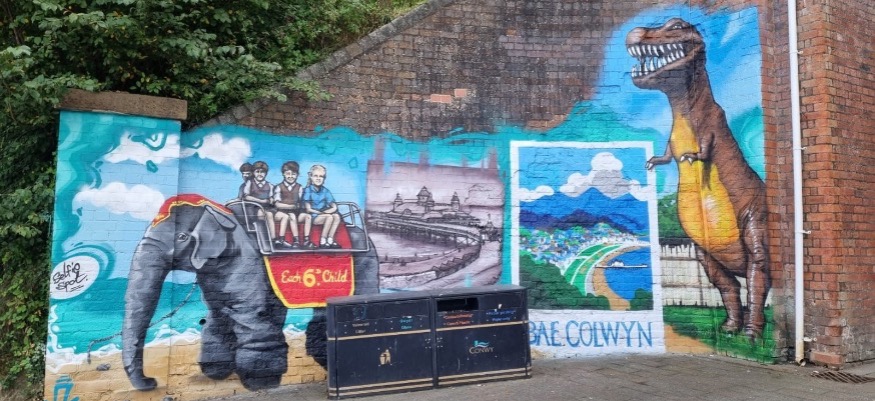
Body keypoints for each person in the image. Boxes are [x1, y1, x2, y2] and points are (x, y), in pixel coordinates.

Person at [271, 161, 314, 249]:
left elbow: (302, 201)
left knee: (308, 216)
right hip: (282, 212)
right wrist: (291, 206)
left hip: (296, 212)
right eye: (288, 174)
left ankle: (306, 240)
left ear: (297, 175)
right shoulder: (279, 187)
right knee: (291, 216)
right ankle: (296, 240)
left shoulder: (299, 187)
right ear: (283, 174)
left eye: (293, 174)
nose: (290, 176)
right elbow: (277, 204)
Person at [302, 164, 342, 249]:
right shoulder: (308, 190)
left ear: (324, 178)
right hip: (313, 216)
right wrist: (321, 213)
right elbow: (308, 209)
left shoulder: (325, 191)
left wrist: (325, 212)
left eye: (321, 176)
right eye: (315, 176)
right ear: (311, 177)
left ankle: (330, 239)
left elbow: (334, 207)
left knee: (336, 216)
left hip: (322, 214)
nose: (318, 178)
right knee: (329, 217)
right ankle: (323, 240)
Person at [242, 161, 277, 241]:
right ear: (254, 173)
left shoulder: (270, 185)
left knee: (269, 214)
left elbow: (271, 198)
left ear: (266, 174)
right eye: (257, 172)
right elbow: (246, 197)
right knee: (261, 213)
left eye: (262, 172)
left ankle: (273, 238)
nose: (260, 174)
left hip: (266, 208)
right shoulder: (250, 183)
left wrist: (271, 200)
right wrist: (260, 201)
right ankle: (263, 236)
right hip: (254, 208)